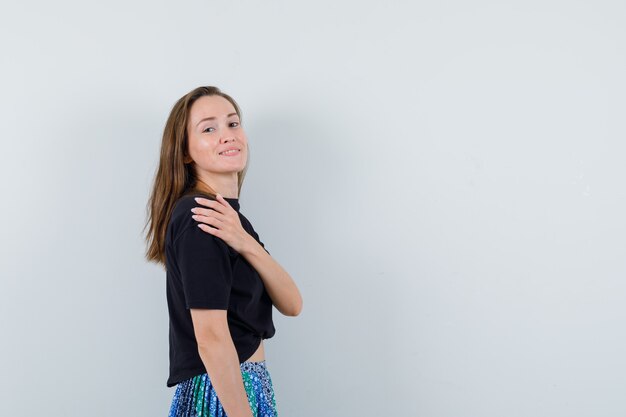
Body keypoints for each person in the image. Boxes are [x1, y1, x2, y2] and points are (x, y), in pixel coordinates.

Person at [144, 86, 303, 417]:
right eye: (208, 128)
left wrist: (245, 241)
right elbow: (212, 338)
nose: (227, 136)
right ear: (185, 151)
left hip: (245, 386)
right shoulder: (200, 218)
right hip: (218, 394)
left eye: (233, 123)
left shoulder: (229, 221)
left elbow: (292, 303)